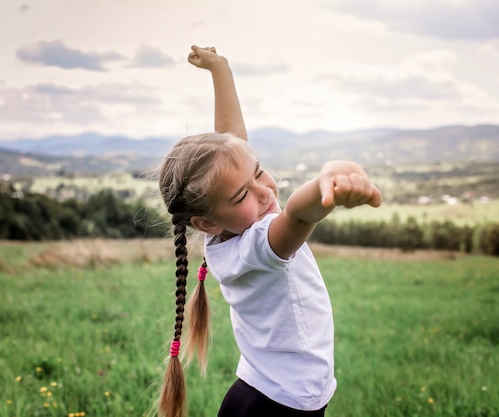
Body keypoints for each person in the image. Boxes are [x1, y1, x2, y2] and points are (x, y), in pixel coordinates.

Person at [157, 45, 382, 417]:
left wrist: (220, 69)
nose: (264, 192)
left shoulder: (230, 226)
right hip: (279, 406)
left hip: (262, 393)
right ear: (206, 222)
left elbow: (233, 144)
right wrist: (326, 183)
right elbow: (296, 216)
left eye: (258, 171)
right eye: (243, 193)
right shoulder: (254, 247)